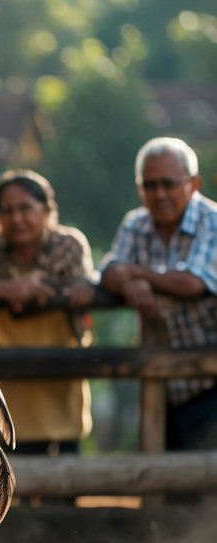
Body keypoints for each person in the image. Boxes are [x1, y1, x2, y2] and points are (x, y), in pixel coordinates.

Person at [0, 170, 96, 471]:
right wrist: (10, 289)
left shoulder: (69, 244)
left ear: (47, 211)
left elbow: (84, 285)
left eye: (25, 208)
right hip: (1, 375)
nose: (16, 218)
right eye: (7, 211)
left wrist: (46, 287)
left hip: (56, 369)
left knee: (64, 470)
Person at [101, 137, 217, 453]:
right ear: (140, 188)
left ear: (193, 184)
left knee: (206, 481)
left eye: (169, 183)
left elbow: (194, 282)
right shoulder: (135, 224)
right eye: (150, 185)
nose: (160, 194)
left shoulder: (212, 221)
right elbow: (109, 271)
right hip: (163, 384)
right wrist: (128, 284)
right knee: (166, 479)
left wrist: (138, 274)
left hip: (210, 379)